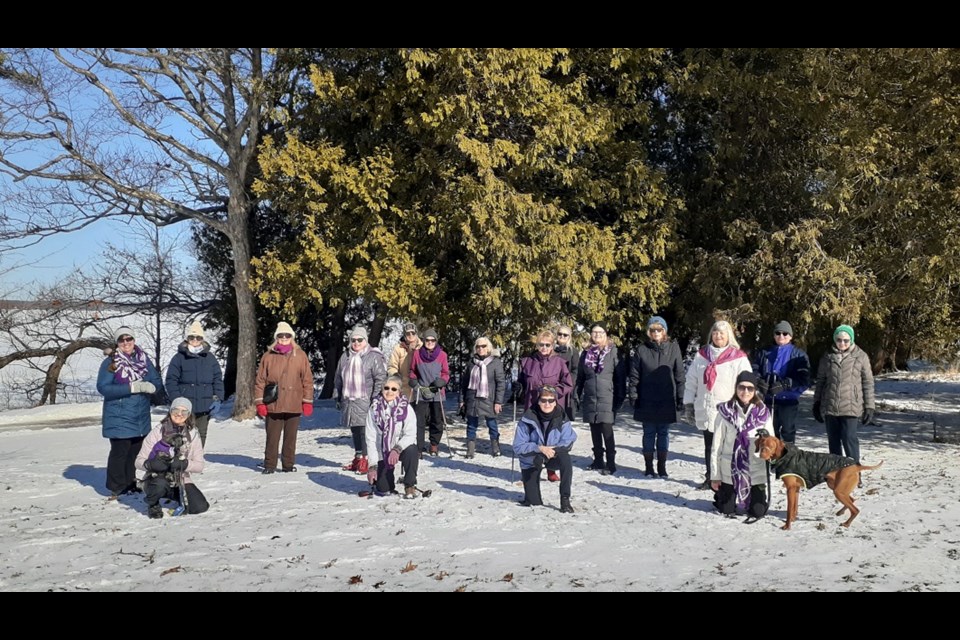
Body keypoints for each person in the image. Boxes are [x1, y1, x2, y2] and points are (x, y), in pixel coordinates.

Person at [682, 320, 752, 489]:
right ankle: (711, 478)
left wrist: (744, 405)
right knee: (709, 446)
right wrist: (689, 403)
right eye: (715, 332)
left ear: (728, 335)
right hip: (706, 408)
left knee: (726, 448)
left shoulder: (738, 358)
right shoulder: (702, 356)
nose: (718, 336)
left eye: (722, 333)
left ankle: (728, 480)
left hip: (728, 410)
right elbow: (691, 381)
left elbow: (746, 383)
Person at [97, 326, 164, 499]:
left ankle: (130, 482)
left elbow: (156, 379)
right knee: (120, 452)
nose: (126, 343)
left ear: (134, 340)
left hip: (140, 415)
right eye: (122, 340)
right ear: (117, 343)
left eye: (129, 339)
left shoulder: (143, 359)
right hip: (119, 414)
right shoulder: (111, 363)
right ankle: (116, 486)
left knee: (135, 451)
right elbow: (104, 387)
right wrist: (131, 387)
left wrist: (154, 387)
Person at [813, 324, 875, 475]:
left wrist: (869, 406)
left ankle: (854, 473)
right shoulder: (828, 357)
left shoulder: (861, 356)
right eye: (839, 340)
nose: (842, 344)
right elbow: (821, 380)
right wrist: (817, 402)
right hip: (831, 405)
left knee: (849, 439)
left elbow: (867, 382)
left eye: (846, 340)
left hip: (851, 406)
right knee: (833, 441)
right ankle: (837, 473)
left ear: (851, 340)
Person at [710, 371, 773, 519]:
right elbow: (716, 446)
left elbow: (771, 442)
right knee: (727, 509)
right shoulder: (724, 412)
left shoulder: (763, 413)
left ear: (755, 390)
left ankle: (755, 497)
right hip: (730, 469)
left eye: (750, 388)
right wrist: (715, 476)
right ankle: (723, 495)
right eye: (741, 387)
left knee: (758, 512)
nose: (745, 392)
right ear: (736, 388)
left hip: (755, 469)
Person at [254, 322, 315, 474]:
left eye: (287, 336)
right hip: (274, 403)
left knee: (290, 437)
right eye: (280, 336)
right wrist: (259, 402)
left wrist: (307, 401)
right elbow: (260, 381)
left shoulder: (300, 355)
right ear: (276, 338)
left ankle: (288, 464)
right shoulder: (268, 356)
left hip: (294, 403)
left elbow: (307, 380)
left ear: (291, 337)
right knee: (272, 437)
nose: (284, 338)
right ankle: (269, 464)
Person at [629, 316, 685, 477]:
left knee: (663, 432)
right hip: (647, 398)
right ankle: (648, 466)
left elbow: (679, 374)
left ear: (664, 331)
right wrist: (633, 394)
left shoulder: (673, 348)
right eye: (653, 330)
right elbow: (634, 375)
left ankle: (662, 466)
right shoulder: (642, 349)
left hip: (667, 398)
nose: (656, 332)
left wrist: (681, 397)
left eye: (659, 329)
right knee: (648, 432)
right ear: (649, 332)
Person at [136, 397, 209, 519]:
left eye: (184, 412)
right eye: (176, 411)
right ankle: (153, 502)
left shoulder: (193, 434)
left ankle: (176, 496)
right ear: (170, 411)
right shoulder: (157, 432)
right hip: (156, 477)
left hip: (180, 479)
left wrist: (185, 464)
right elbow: (138, 461)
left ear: (189, 415)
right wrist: (150, 464)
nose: (179, 414)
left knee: (200, 507)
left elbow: (199, 466)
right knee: (159, 484)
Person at [513, 385, 577, 513]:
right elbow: (518, 446)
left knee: (566, 460)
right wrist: (539, 449)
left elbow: (569, 440)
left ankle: (565, 499)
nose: (547, 403)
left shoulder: (562, 417)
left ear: (555, 402)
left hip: (553, 455)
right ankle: (532, 495)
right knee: (534, 502)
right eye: (543, 400)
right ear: (538, 400)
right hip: (532, 458)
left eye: (550, 400)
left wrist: (552, 450)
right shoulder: (527, 419)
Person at [335, 326, 387, 475]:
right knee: (355, 429)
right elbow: (338, 377)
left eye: (360, 340)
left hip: (366, 399)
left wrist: (376, 398)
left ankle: (366, 459)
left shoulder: (374, 356)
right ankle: (358, 456)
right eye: (354, 340)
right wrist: (337, 395)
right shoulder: (345, 356)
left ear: (365, 340)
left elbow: (380, 379)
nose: (356, 343)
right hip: (349, 399)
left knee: (365, 430)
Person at [165, 320, 224, 448]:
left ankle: (196, 461)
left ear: (202, 339)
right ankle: (180, 462)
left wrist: (218, 397)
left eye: (198, 337)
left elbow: (217, 379)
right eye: (192, 337)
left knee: (201, 434)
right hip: (184, 407)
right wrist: (177, 400)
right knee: (181, 436)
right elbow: (171, 380)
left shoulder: (210, 358)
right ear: (187, 339)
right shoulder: (179, 358)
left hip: (205, 406)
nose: (195, 340)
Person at [577, 322, 625, 476]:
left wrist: (619, 398)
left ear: (606, 334)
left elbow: (620, 378)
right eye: (594, 332)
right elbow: (580, 376)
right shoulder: (586, 353)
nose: (597, 335)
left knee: (606, 429)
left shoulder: (613, 353)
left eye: (600, 332)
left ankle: (611, 463)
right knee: (594, 429)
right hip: (591, 396)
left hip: (607, 396)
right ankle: (598, 460)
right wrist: (577, 394)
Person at [753, 320, 810, 444]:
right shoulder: (764, 352)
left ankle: (788, 459)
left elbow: (804, 379)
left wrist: (786, 384)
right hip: (768, 400)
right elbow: (754, 369)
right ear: (774, 335)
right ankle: (769, 461)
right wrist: (759, 381)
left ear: (790, 336)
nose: (781, 336)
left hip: (788, 401)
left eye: (785, 334)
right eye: (778, 333)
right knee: (769, 432)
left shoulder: (798, 354)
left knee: (788, 432)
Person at [364, 375, 421, 498]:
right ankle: (385, 479)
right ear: (382, 389)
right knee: (383, 489)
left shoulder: (406, 408)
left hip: (401, 448)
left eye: (394, 389)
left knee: (412, 450)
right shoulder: (374, 409)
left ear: (399, 391)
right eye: (386, 388)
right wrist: (372, 466)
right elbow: (371, 438)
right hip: (382, 451)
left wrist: (397, 449)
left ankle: (409, 485)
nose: (389, 391)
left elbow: (410, 434)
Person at [459, 337, 506, 458]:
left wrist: (498, 402)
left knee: (492, 424)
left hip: (489, 398)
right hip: (472, 398)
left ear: (488, 347)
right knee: (471, 424)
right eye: (478, 346)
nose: (481, 349)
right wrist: (461, 399)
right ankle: (470, 449)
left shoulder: (495, 362)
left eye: (483, 346)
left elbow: (500, 383)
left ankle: (495, 446)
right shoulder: (471, 363)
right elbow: (464, 383)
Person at [408, 329, 450, 456]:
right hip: (421, 391)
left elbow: (446, 373)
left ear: (436, 341)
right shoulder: (417, 354)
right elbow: (412, 371)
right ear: (424, 341)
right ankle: (419, 447)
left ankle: (434, 444)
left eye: (433, 340)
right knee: (419, 421)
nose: (430, 342)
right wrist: (413, 380)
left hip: (437, 392)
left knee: (437, 420)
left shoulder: (442, 355)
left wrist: (442, 381)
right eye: (427, 340)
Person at [517, 330, 573, 412]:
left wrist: (552, 392)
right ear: (537, 345)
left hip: (552, 407)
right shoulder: (528, 362)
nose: (544, 348)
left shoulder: (560, 362)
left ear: (552, 346)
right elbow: (522, 383)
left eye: (547, 345)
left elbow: (567, 385)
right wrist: (519, 387)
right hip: (532, 407)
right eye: (541, 344)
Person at [387, 322, 422, 402]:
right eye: (408, 333)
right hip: (404, 388)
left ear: (416, 334)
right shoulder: (398, 348)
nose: (411, 335)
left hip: (420, 387)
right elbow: (392, 366)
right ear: (404, 335)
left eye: (413, 333)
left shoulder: (422, 347)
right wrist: (395, 375)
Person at [554, 325, 579, 422]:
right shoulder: (551, 349)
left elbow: (575, 370)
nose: (562, 336)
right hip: (552, 387)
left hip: (566, 389)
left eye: (565, 335)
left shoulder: (573, 351)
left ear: (569, 337)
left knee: (564, 419)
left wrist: (568, 383)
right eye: (560, 334)